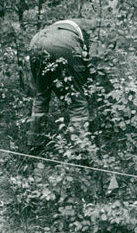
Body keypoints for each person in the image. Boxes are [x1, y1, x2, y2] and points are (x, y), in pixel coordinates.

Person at [28, 18, 93, 146]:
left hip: (36, 42)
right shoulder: (86, 31)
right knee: (78, 102)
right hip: (64, 45)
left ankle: (34, 145)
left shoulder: (54, 28)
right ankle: (81, 151)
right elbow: (87, 69)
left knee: (41, 96)